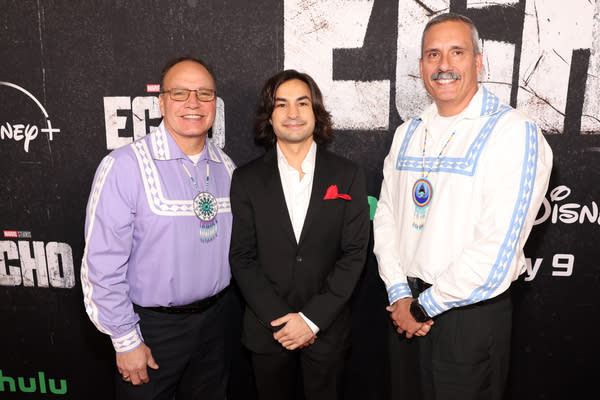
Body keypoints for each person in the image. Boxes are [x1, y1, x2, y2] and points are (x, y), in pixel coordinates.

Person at [373, 13, 553, 400]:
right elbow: (386, 217)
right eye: (433, 55)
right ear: (421, 66)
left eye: (457, 52)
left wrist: (423, 308)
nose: (444, 65)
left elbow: (496, 249)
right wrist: (399, 292)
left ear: (478, 61)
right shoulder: (408, 133)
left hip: (466, 320)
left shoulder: (513, 132)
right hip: (405, 310)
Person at [81, 55, 235, 400]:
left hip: (217, 325)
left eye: (204, 94)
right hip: (152, 330)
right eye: (180, 93)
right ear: (161, 102)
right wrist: (125, 339)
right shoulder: (124, 166)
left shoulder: (227, 167)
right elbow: (101, 266)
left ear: (215, 104)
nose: (193, 103)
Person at [229, 69, 370, 400]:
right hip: (268, 332)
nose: (292, 113)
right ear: (270, 115)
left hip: (327, 330)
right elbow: (242, 257)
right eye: (282, 104)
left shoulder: (347, 175)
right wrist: (282, 319)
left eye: (302, 103)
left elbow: (354, 254)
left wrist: (311, 320)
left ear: (316, 112)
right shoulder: (246, 179)